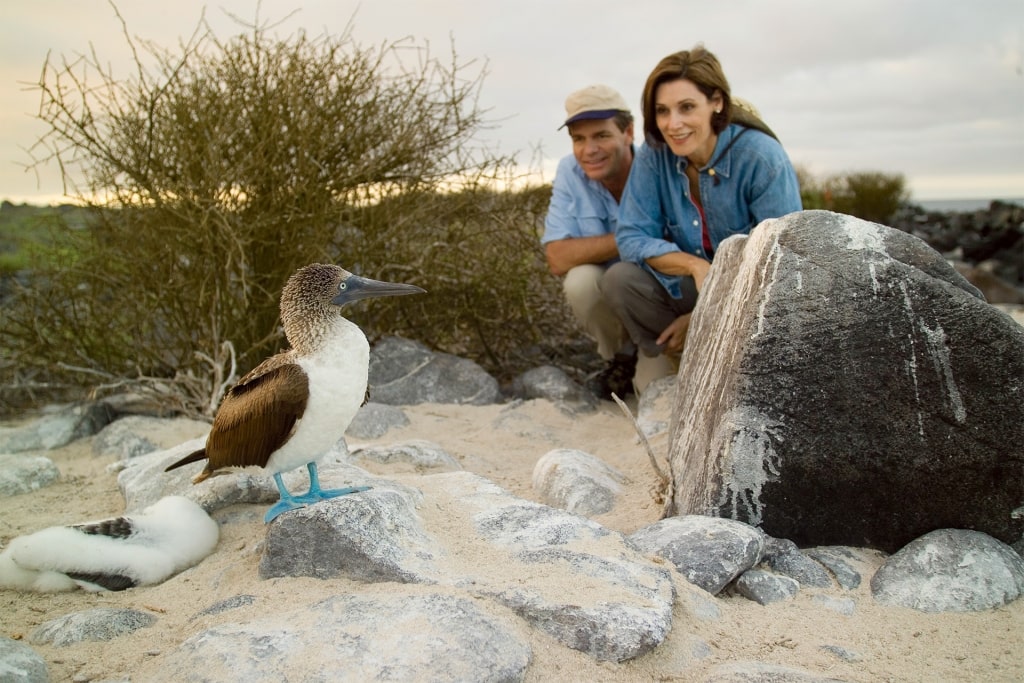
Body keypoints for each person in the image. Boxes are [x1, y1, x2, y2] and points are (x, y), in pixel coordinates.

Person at [602, 45, 802, 365]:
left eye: (687, 107)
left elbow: (782, 264)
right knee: (619, 278)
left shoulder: (761, 157)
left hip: (750, 303)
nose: (673, 124)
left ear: (717, 103)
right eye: (662, 111)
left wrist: (700, 318)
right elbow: (630, 236)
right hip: (688, 288)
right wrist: (694, 266)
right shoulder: (655, 155)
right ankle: (677, 357)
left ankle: (713, 355)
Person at [541, 85, 674, 398]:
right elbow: (558, 258)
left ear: (628, 132)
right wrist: (634, 236)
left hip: (657, 298)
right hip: (613, 292)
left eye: (601, 135)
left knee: (655, 391)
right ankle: (619, 359)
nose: (589, 150)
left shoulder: (659, 168)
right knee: (580, 281)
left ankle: (648, 356)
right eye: (579, 139)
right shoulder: (569, 171)